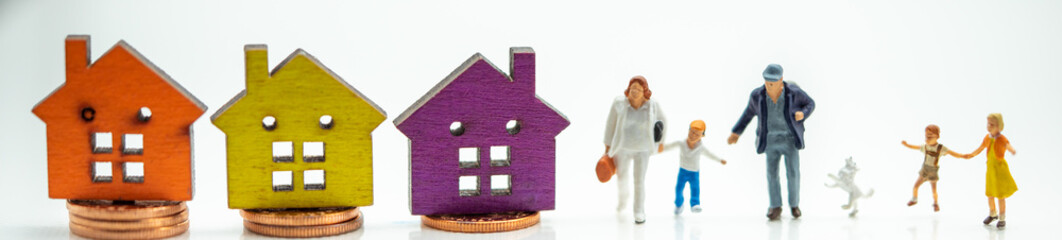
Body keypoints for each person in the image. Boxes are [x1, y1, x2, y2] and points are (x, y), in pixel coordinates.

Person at [727, 64, 815, 220]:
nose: (769, 86)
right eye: (767, 82)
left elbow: (810, 103)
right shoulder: (757, 96)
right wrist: (736, 132)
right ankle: (775, 206)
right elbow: (748, 114)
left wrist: (803, 114)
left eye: (773, 82)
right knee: (771, 174)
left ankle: (794, 205)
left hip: (789, 139)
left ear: (781, 80)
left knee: (793, 173)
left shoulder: (793, 93)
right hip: (770, 140)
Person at [602, 75, 667, 224]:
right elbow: (610, 123)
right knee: (622, 177)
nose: (635, 92)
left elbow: (663, 120)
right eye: (632, 89)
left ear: (645, 91)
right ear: (628, 90)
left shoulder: (652, 105)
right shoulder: (619, 103)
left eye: (638, 89)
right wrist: (607, 145)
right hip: (622, 148)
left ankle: (639, 211)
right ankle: (622, 201)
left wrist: (661, 142)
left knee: (639, 181)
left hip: (643, 149)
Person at [961, 113, 1018, 229]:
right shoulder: (987, 138)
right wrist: (971, 155)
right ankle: (993, 214)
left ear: (999, 126)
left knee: (1000, 195)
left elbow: (1007, 145)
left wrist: (1012, 150)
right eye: (988, 124)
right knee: (990, 194)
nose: (989, 126)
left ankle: (1002, 218)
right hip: (990, 169)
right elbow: (981, 148)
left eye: (992, 124)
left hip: (1000, 170)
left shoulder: (1001, 139)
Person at [662, 120, 727, 215]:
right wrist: (659, 148)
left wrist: (720, 160)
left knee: (695, 189)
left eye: (697, 134)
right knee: (678, 189)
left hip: (694, 173)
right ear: (688, 130)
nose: (693, 135)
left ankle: (695, 204)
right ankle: (679, 205)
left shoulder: (701, 148)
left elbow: (710, 154)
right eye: (692, 132)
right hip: (682, 171)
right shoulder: (681, 143)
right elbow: (669, 146)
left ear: (702, 136)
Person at [900, 124, 967, 212]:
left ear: (937, 137)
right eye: (926, 136)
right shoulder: (925, 147)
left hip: (933, 171)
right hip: (924, 170)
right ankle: (914, 199)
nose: (927, 138)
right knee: (916, 186)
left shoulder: (940, 148)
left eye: (930, 136)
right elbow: (915, 147)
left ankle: (935, 203)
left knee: (934, 190)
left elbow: (952, 153)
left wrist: (963, 156)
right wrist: (906, 145)